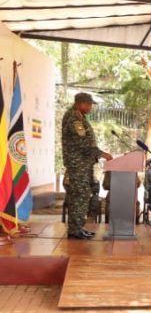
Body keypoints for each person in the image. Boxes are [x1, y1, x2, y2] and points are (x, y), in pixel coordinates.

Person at [61, 92, 113, 239]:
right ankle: (75, 230)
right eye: (88, 104)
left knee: (82, 195)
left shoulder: (79, 117)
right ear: (80, 103)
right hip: (78, 165)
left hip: (83, 164)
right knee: (79, 195)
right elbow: (82, 142)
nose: (90, 107)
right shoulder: (73, 118)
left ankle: (77, 228)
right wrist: (101, 153)